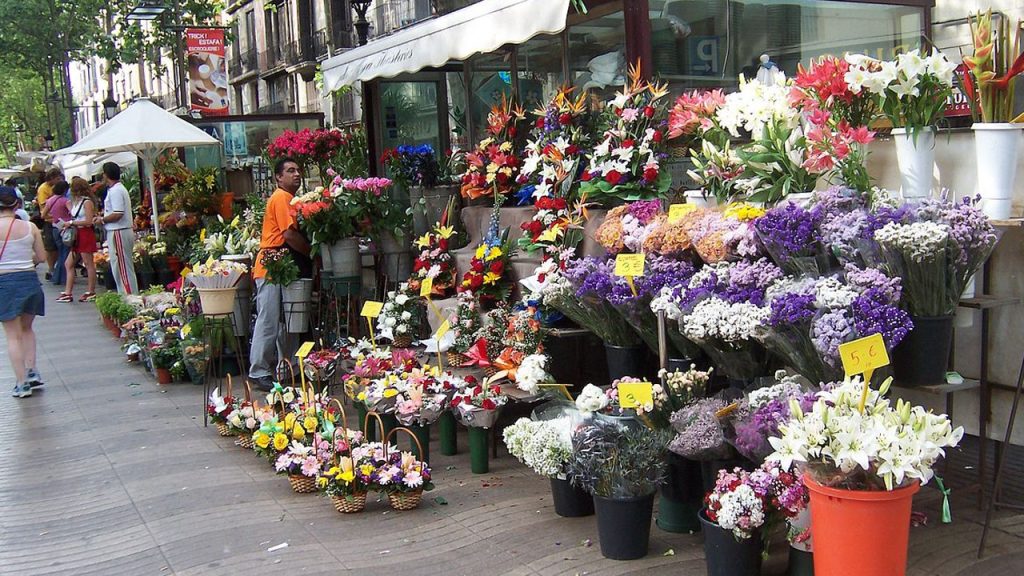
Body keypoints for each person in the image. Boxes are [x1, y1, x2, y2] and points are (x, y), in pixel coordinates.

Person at [248, 157, 311, 390]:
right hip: (273, 265)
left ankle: (288, 368)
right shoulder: (282, 198)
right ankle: (259, 370)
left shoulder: (290, 199)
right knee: (270, 318)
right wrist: (312, 254)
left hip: (282, 264)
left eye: (298, 170)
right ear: (278, 177)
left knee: (288, 318)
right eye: (290, 170)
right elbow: (289, 235)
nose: (296, 174)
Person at [0, 186, 46, 398]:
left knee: (12, 336)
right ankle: (32, 370)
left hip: (5, 283)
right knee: (27, 329)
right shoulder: (30, 227)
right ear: (16, 204)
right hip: (29, 280)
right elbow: (42, 257)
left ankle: (22, 383)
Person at [93, 162, 137, 295]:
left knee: (121, 265)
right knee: (119, 264)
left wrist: (102, 219)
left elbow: (118, 213)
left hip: (119, 230)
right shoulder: (116, 189)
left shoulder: (116, 190)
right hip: (118, 230)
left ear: (106, 175)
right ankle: (125, 293)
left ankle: (129, 295)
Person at [57, 178, 98, 302]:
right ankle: (68, 292)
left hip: (85, 233)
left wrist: (71, 222)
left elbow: (89, 221)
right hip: (78, 234)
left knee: (88, 262)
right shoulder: (76, 202)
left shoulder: (87, 202)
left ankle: (91, 291)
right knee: (68, 263)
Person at [40, 180, 72, 286]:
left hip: (55, 228)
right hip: (66, 228)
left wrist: (54, 218)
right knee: (65, 253)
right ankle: (61, 277)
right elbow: (73, 213)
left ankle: (57, 276)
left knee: (60, 251)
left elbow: (43, 215)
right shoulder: (66, 201)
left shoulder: (50, 200)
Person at [36, 168, 63, 280]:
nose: (58, 180)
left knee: (57, 246)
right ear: (51, 178)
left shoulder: (55, 187)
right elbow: (43, 205)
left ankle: (57, 267)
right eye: (57, 178)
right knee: (50, 246)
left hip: (58, 220)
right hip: (49, 220)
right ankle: (51, 268)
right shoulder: (43, 188)